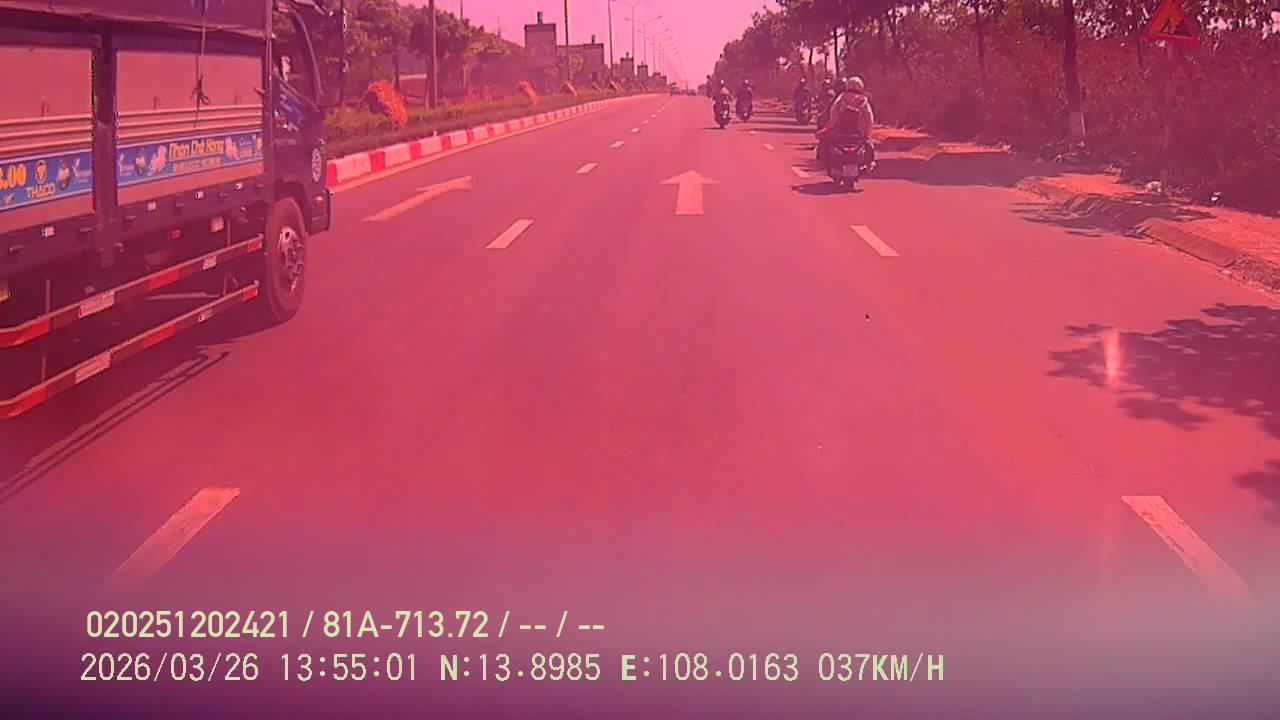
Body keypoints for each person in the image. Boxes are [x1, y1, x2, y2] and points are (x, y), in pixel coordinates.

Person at [815, 76, 875, 165]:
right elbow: (869, 119)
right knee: (869, 145)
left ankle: (826, 163)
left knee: (825, 142)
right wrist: (867, 134)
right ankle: (870, 163)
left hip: (840, 133)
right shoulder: (863, 100)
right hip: (859, 134)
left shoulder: (841, 98)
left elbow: (833, 114)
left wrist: (830, 127)